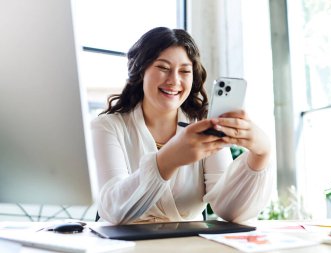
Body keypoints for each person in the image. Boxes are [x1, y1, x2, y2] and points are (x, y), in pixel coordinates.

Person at [91, 27, 273, 225]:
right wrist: (167, 160)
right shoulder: (108, 126)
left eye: (185, 71)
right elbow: (112, 209)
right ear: (141, 70)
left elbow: (229, 211)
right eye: (163, 68)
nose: (174, 80)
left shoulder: (203, 127)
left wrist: (260, 155)